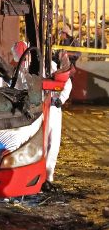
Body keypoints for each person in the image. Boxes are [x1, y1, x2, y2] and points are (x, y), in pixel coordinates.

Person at [43, 53, 72, 191]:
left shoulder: (51, 67)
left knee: (52, 143)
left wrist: (61, 99)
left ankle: (48, 176)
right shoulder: (25, 69)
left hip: (53, 109)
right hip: (38, 111)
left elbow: (67, 84)